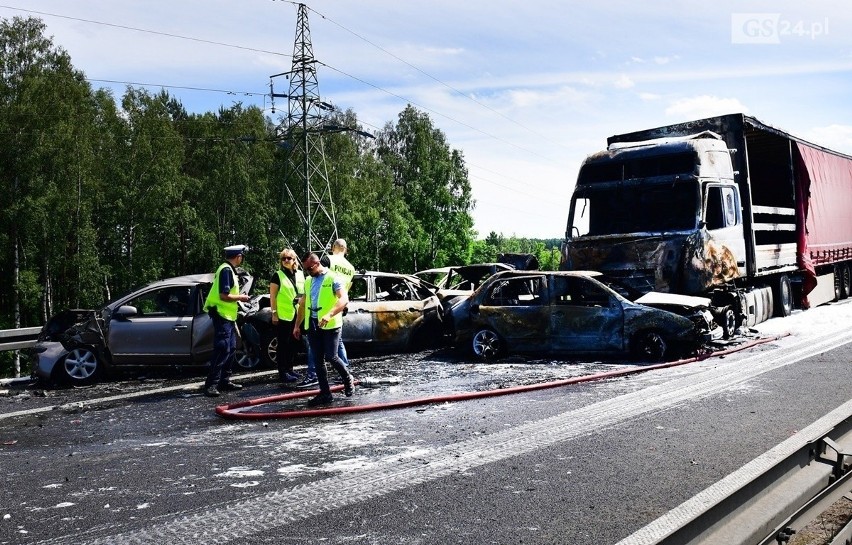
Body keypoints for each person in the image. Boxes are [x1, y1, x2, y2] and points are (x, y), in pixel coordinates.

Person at [293, 252, 355, 406]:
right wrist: (297, 325)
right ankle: (325, 394)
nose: (308, 272)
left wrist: (329, 314)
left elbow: (344, 299)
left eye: (309, 268)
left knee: (331, 356)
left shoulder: (333, 277)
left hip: (331, 324)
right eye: (306, 269)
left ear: (317, 263)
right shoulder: (308, 281)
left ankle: (348, 379)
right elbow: (302, 304)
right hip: (313, 324)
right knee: (317, 360)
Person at [202, 244, 251, 397]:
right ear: (238, 256)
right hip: (221, 314)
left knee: (230, 348)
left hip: (227, 315)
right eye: (242, 256)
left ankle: (225, 381)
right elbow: (224, 296)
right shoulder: (226, 270)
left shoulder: (228, 269)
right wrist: (241, 297)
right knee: (223, 348)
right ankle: (211, 384)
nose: (242, 259)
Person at [269, 248, 304, 384]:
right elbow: (273, 297)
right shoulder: (277, 275)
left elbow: (303, 293)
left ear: (294, 259)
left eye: (288, 258)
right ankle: (282, 372)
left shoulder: (300, 274)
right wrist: (274, 314)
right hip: (283, 315)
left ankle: (290, 369)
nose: (286, 260)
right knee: (283, 344)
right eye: (283, 258)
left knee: (294, 343)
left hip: (297, 314)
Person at [322, 238, 355, 368]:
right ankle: (344, 367)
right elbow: (347, 288)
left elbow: (319, 278)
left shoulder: (327, 259)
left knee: (316, 339)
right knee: (338, 338)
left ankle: (314, 372)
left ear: (333, 247)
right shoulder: (351, 268)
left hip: (325, 302)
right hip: (340, 304)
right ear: (345, 250)